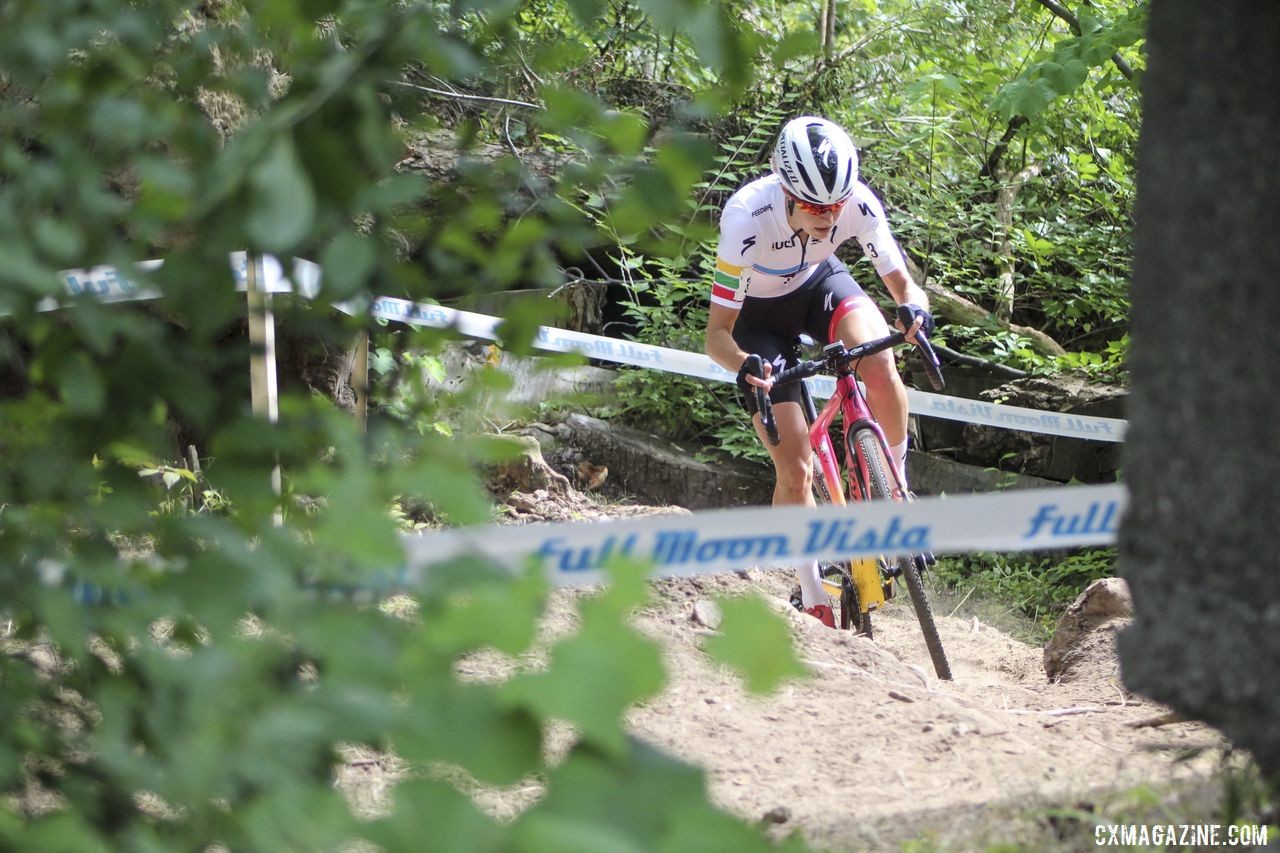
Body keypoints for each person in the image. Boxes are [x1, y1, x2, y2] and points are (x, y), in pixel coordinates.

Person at [704, 115, 934, 628]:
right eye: (813, 205)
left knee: (878, 357)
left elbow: (903, 286)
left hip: (818, 286)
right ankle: (813, 594)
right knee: (795, 467)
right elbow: (716, 334)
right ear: (786, 191)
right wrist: (744, 367)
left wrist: (914, 309)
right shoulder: (745, 217)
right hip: (756, 324)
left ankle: (896, 491)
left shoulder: (855, 202)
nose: (828, 216)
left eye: (835, 204)